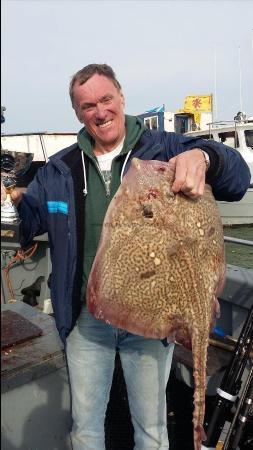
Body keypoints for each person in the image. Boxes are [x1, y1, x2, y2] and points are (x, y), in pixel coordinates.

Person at [11, 64, 250, 450]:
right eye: (88, 105)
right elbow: (25, 225)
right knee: (86, 428)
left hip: (153, 317)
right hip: (87, 317)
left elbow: (237, 180)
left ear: (121, 98)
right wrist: (12, 203)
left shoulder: (167, 148)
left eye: (106, 99)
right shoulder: (59, 168)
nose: (100, 111)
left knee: (152, 432)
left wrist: (206, 157)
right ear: (77, 113)